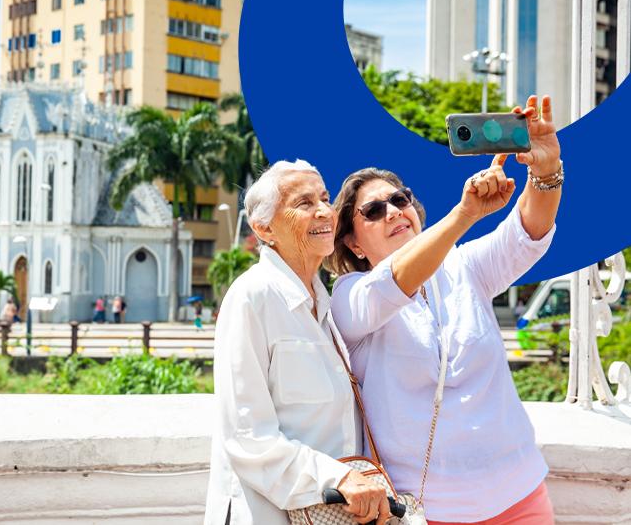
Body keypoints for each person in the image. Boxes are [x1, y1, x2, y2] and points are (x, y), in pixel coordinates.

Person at [326, 96, 561, 525]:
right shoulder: (349, 296)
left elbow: (528, 232)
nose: (394, 211)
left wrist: (545, 170)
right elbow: (393, 282)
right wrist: (465, 214)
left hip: (520, 494)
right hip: (424, 510)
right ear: (354, 244)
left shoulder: (463, 268)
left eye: (400, 199)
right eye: (374, 211)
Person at [205, 160, 392, 525]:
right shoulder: (252, 296)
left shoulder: (324, 305)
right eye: (304, 203)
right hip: (264, 514)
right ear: (264, 228)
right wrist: (336, 477)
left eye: (324, 198)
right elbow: (247, 436)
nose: (324, 211)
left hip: (330, 512)